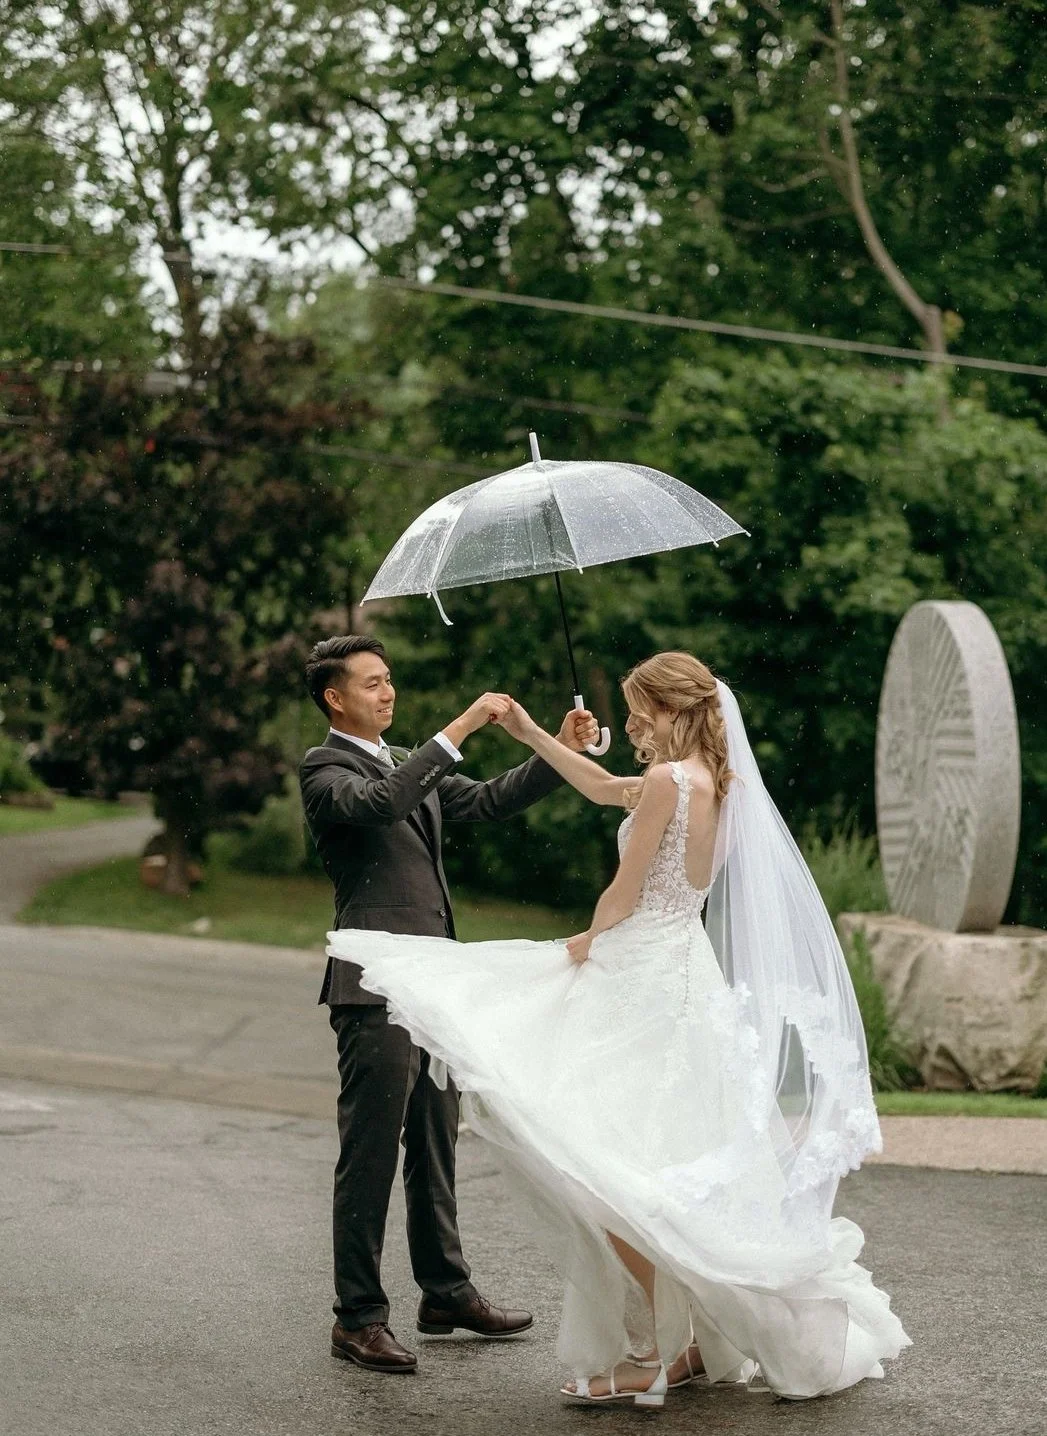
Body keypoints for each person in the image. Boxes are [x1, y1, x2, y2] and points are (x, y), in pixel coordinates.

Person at [326, 651, 911, 1405]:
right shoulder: (710, 783)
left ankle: (664, 1345)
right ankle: (690, 1337)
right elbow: (605, 788)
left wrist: (581, 947)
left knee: (604, 1162)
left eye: (638, 709)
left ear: (670, 710)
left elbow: (625, 890)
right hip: (681, 971)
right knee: (655, 1153)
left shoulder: (670, 781)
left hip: (639, 970)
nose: (630, 721)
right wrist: (538, 734)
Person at [299, 635, 600, 1375]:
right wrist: (459, 729)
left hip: (434, 985)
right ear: (335, 698)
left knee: (435, 1141)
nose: (386, 691)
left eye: (389, 679)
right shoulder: (325, 770)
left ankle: (445, 1291)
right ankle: (357, 1318)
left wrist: (552, 752)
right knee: (369, 1152)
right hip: (373, 988)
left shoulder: (405, 762)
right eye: (371, 683)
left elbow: (490, 801)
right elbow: (378, 806)